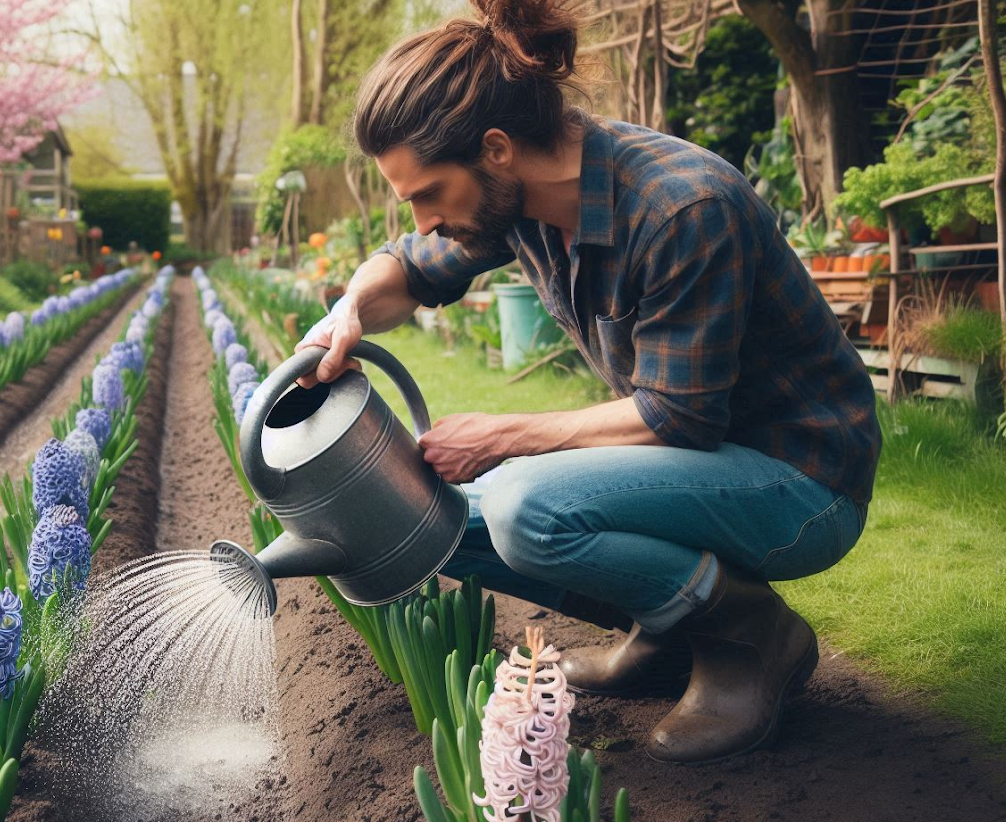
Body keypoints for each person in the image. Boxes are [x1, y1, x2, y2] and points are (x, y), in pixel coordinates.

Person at [297, 0, 880, 765]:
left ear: (497, 150)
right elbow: (405, 268)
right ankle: (668, 629)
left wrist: (508, 438)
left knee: (523, 504)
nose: (425, 218)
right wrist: (347, 312)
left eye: (428, 193)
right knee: (418, 520)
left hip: (798, 483)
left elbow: (679, 417)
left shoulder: (680, 207)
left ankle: (749, 638)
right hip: (690, 468)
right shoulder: (514, 204)